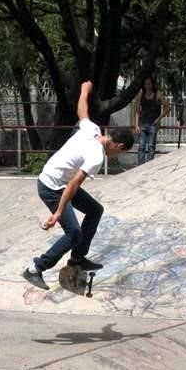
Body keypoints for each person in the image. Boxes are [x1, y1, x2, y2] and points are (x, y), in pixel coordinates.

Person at [22, 80, 134, 291]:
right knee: (74, 233)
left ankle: (77, 259)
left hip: (59, 181)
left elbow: (82, 110)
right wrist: (59, 212)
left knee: (95, 210)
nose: (117, 155)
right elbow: (74, 184)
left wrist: (84, 90)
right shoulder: (96, 156)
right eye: (121, 152)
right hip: (51, 186)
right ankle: (35, 268)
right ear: (118, 146)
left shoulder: (92, 129)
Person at [133, 76, 170, 165]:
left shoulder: (158, 94)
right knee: (141, 146)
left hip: (153, 124)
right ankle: (140, 166)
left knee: (151, 146)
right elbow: (137, 110)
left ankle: (148, 166)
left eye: (149, 83)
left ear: (152, 84)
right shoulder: (141, 95)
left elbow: (167, 107)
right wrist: (136, 125)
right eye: (145, 84)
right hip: (143, 123)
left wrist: (159, 118)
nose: (147, 86)